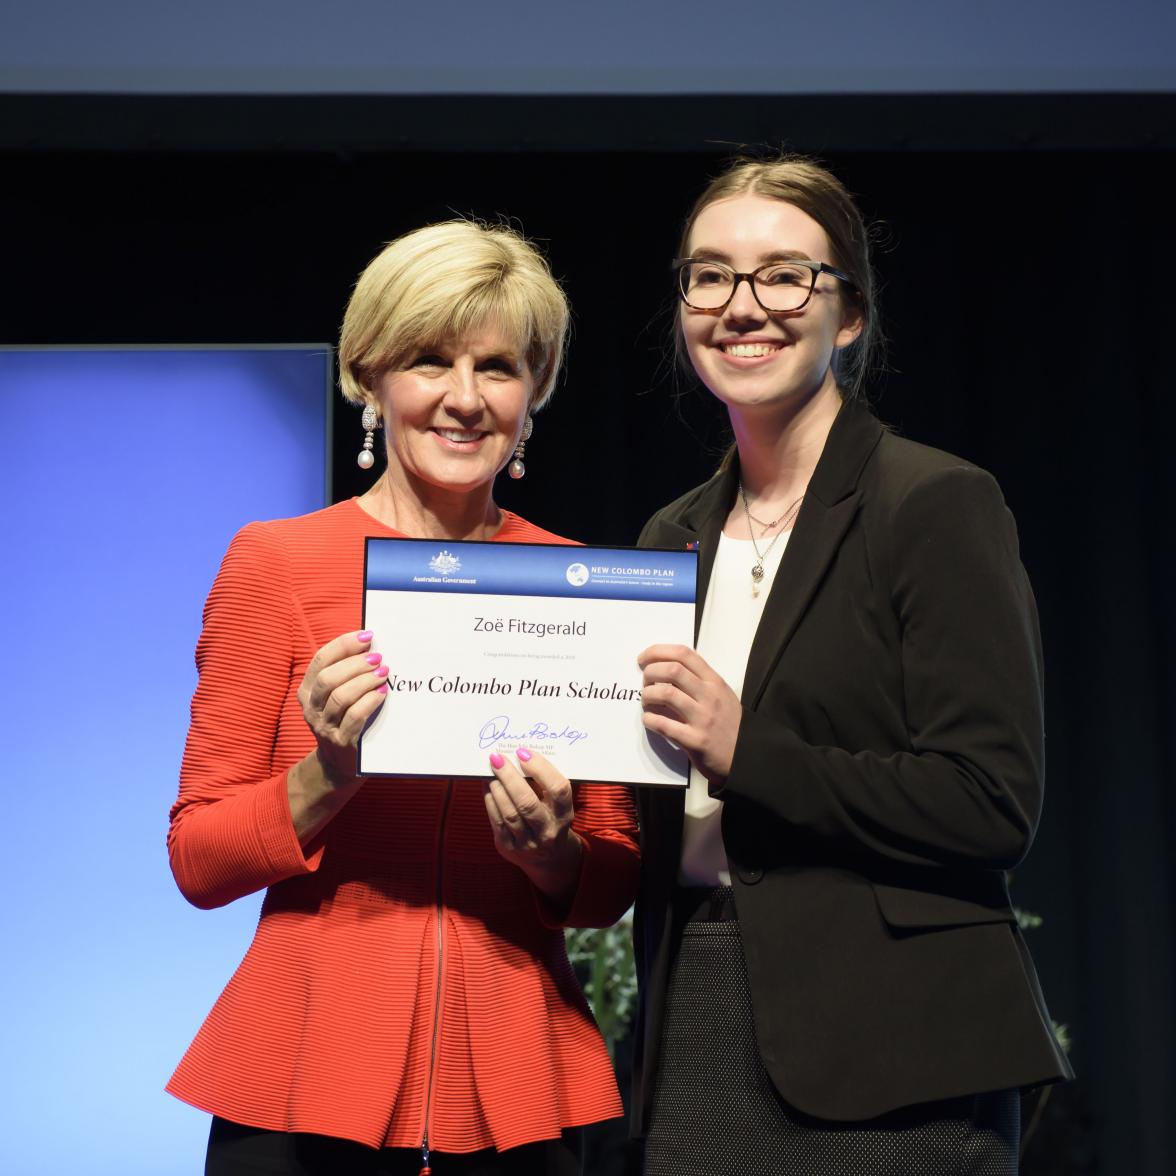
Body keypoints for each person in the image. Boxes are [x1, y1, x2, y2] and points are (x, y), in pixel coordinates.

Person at [166, 220, 640, 1176]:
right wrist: (328, 774)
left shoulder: (581, 585)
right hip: (299, 1078)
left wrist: (552, 856)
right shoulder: (275, 564)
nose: (464, 399)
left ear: (535, 391)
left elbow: (611, 879)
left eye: (499, 367)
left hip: (517, 1085)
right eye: (429, 360)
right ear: (369, 373)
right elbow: (198, 860)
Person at [630, 156, 1072, 1176]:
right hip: (703, 1011)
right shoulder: (667, 538)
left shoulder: (934, 504)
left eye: (786, 275)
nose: (745, 306)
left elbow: (989, 800)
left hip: (898, 1050)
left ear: (851, 316)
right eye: (710, 275)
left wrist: (752, 751)